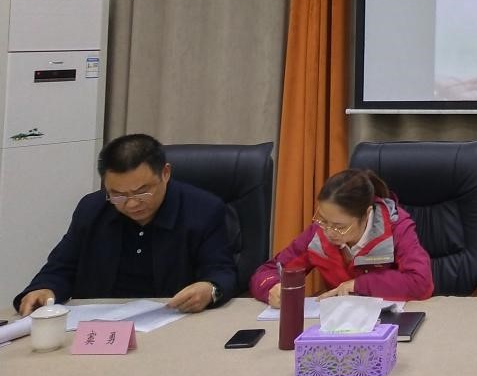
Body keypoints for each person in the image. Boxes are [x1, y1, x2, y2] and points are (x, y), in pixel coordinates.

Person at [13, 133, 236, 316]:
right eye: (117, 194)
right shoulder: (92, 209)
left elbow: (221, 271)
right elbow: (61, 267)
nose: (131, 204)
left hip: (171, 321)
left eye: (142, 191)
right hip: (99, 325)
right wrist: (44, 288)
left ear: (165, 173)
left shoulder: (203, 209)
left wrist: (209, 289)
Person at [249, 169, 433, 304]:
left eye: (340, 227)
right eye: (322, 219)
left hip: (388, 322)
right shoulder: (318, 233)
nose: (329, 232)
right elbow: (267, 271)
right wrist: (272, 287)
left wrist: (357, 285)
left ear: (367, 214)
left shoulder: (396, 227)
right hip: (337, 324)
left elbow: (421, 283)